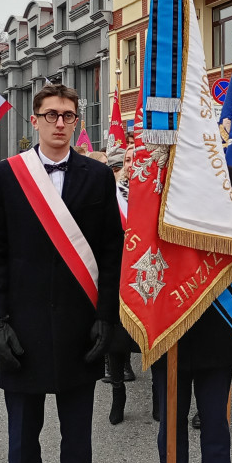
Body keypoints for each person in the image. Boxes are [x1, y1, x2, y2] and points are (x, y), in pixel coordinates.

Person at [0, 84, 123, 463]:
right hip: (23, 329)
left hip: (81, 329)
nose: (60, 123)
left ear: (77, 122)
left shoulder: (97, 178)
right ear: (35, 120)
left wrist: (106, 317)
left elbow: (111, 253)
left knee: (78, 439)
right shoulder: (5, 176)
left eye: (68, 115)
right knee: (23, 441)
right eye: (51, 115)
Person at [148, 165, 232, 463]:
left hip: (215, 321)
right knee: (171, 433)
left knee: (216, 430)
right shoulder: (158, 175)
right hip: (169, 325)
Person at [103, 145, 136, 426]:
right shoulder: (112, 192)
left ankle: (158, 396)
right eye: (127, 159)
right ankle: (118, 394)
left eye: (138, 159)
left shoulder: (156, 191)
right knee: (117, 337)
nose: (132, 163)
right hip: (118, 270)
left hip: (148, 273)